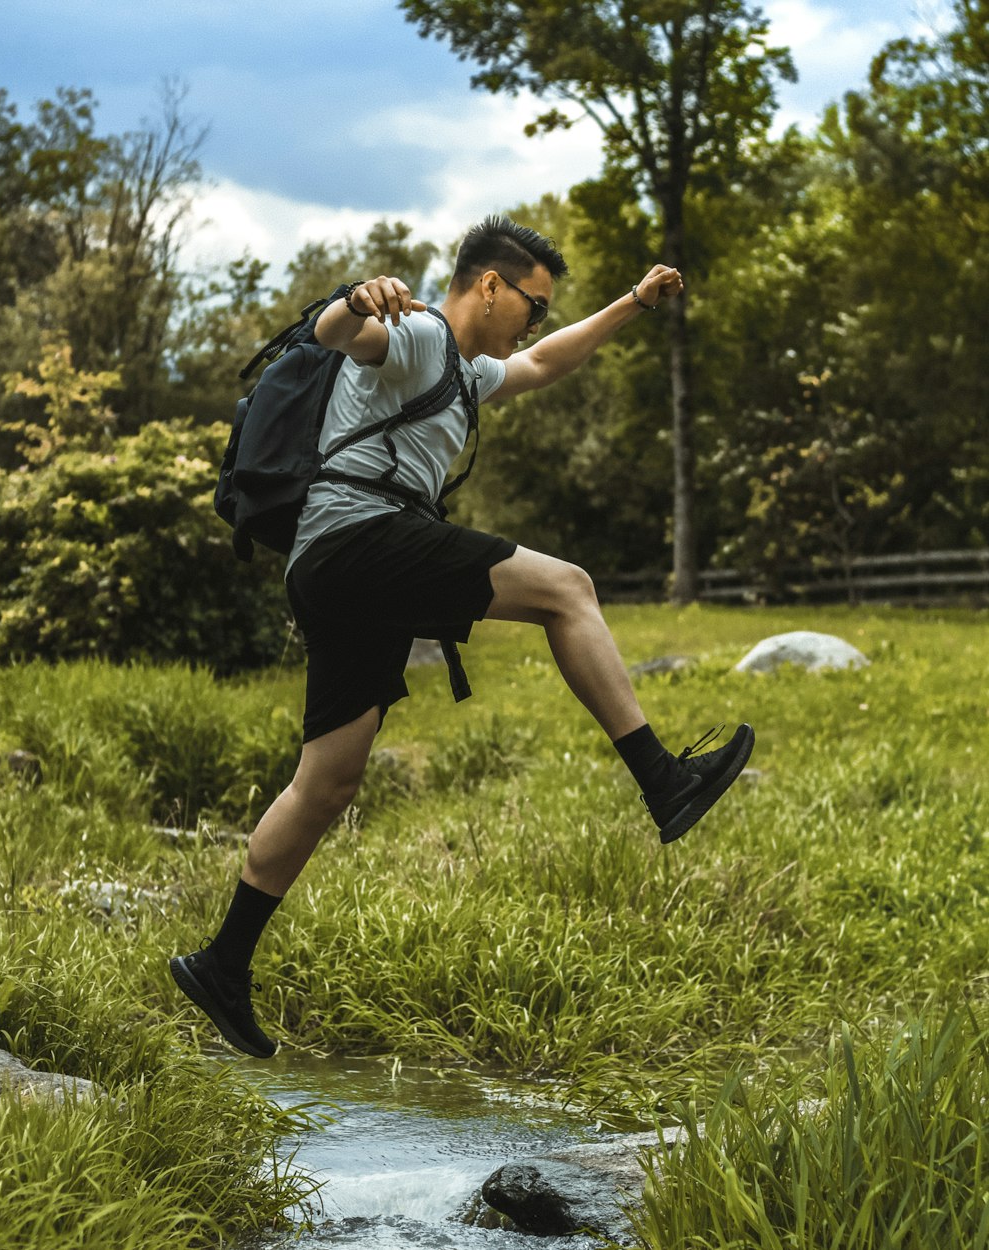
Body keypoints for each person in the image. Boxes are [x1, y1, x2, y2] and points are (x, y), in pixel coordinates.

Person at [170, 216, 754, 1058]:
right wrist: (350, 298)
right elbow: (345, 336)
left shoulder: (464, 370)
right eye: (534, 304)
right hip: (357, 538)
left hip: (332, 567)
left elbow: (546, 363)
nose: (537, 322)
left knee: (328, 783)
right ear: (490, 284)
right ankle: (663, 780)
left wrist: (633, 301)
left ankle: (222, 964)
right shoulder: (417, 336)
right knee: (568, 590)